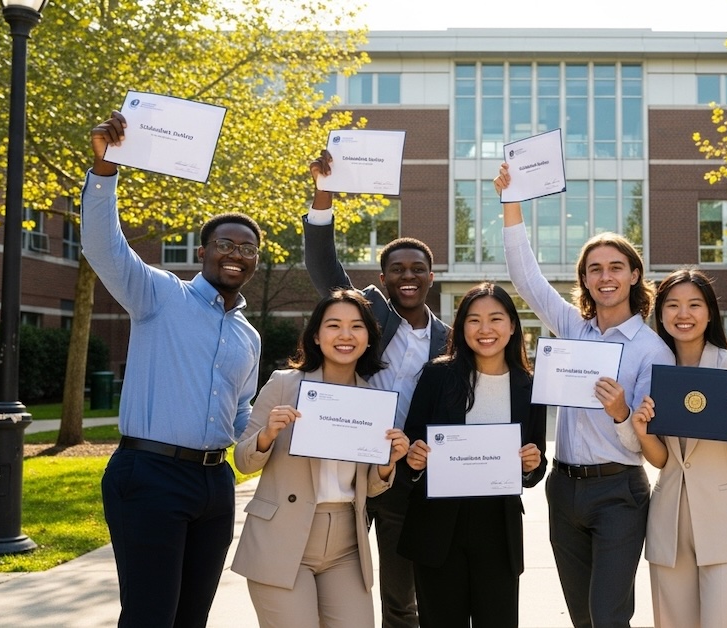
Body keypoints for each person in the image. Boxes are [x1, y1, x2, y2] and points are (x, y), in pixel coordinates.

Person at [83, 111, 262, 627]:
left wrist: (266, 438)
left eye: (247, 249)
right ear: (203, 252)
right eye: (225, 245)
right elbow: (104, 247)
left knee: (192, 618)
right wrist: (105, 168)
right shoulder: (159, 295)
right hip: (150, 475)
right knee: (149, 616)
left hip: (214, 484)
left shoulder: (246, 335)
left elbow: (240, 410)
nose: (236, 254)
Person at [495, 165, 674, 628]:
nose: (605, 276)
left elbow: (650, 447)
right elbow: (527, 278)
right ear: (585, 280)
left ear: (634, 274)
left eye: (616, 267)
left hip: (619, 490)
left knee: (608, 614)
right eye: (595, 269)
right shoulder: (573, 327)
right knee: (581, 616)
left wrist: (621, 413)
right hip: (564, 488)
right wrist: (511, 204)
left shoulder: (653, 351)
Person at [303, 150, 449, 628]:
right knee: (339, 582)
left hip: (408, 472)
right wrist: (323, 193)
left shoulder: (449, 339)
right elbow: (324, 264)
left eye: (417, 269)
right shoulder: (369, 314)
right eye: (398, 270)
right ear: (383, 280)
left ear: (431, 277)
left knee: (403, 592)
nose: (408, 276)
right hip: (348, 462)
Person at [231, 289, 410, 627]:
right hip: (281, 537)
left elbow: (369, 488)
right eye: (334, 325)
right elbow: (242, 461)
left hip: (345, 544)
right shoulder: (285, 385)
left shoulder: (373, 401)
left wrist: (387, 464)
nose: (345, 335)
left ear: (369, 338)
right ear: (316, 335)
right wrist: (267, 435)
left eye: (357, 326)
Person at [396, 282, 548, 627]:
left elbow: (535, 464)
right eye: (474, 320)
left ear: (512, 325)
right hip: (438, 528)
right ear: (461, 327)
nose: (485, 330)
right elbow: (411, 443)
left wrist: (530, 466)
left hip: (498, 528)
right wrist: (414, 460)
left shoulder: (529, 385)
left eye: (496, 319)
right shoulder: (438, 376)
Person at [627, 268, 727, 628]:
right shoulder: (654, 370)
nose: (682, 314)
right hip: (669, 521)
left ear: (709, 312)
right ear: (660, 314)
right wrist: (642, 432)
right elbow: (663, 460)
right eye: (672, 305)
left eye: (693, 304)